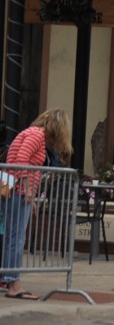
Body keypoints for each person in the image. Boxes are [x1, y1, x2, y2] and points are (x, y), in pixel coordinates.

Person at [1, 109, 73, 300]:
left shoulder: (31, 133)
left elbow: (14, 159)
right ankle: (13, 283)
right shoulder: (37, 136)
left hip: (11, 187)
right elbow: (21, 160)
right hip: (17, 190)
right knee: (15, 238)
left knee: (11, 236)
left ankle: (9, 278)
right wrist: (28, 189)